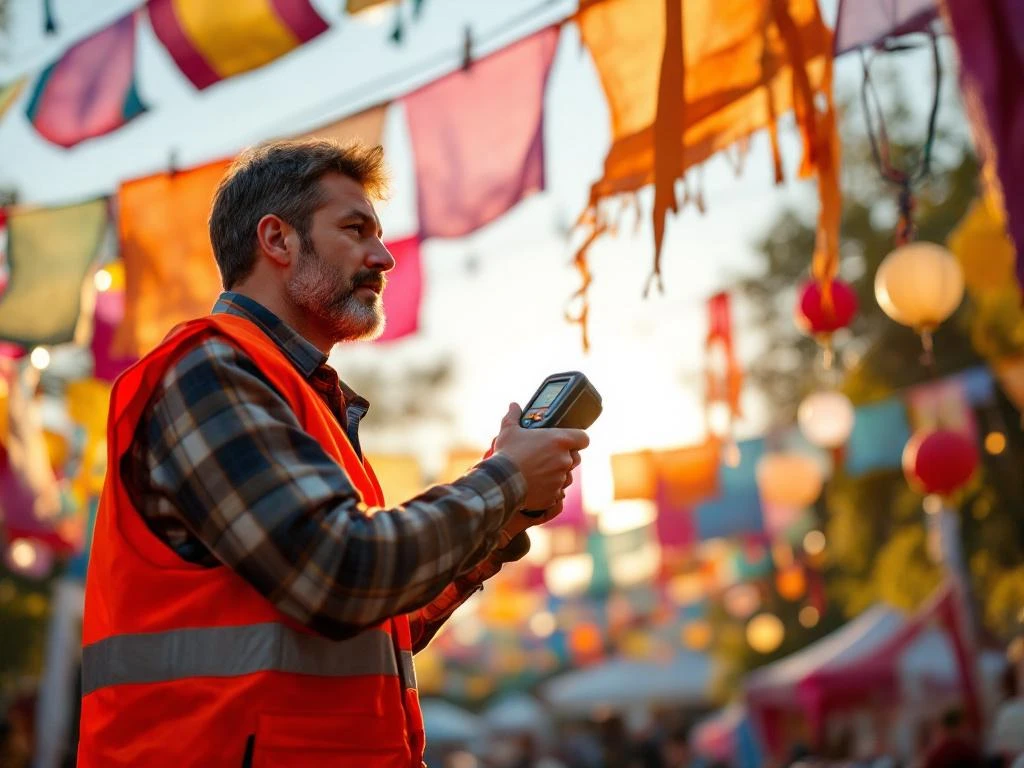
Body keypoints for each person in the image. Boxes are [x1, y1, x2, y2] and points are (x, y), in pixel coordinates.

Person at [77, 139, 590, 767]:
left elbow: (376, 621)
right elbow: (339, 575)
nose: (384, 257)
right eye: (356, 229)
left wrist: (504, 519)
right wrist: (504, 480)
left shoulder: (298, 395)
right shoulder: (208, 368)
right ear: (278, 240)